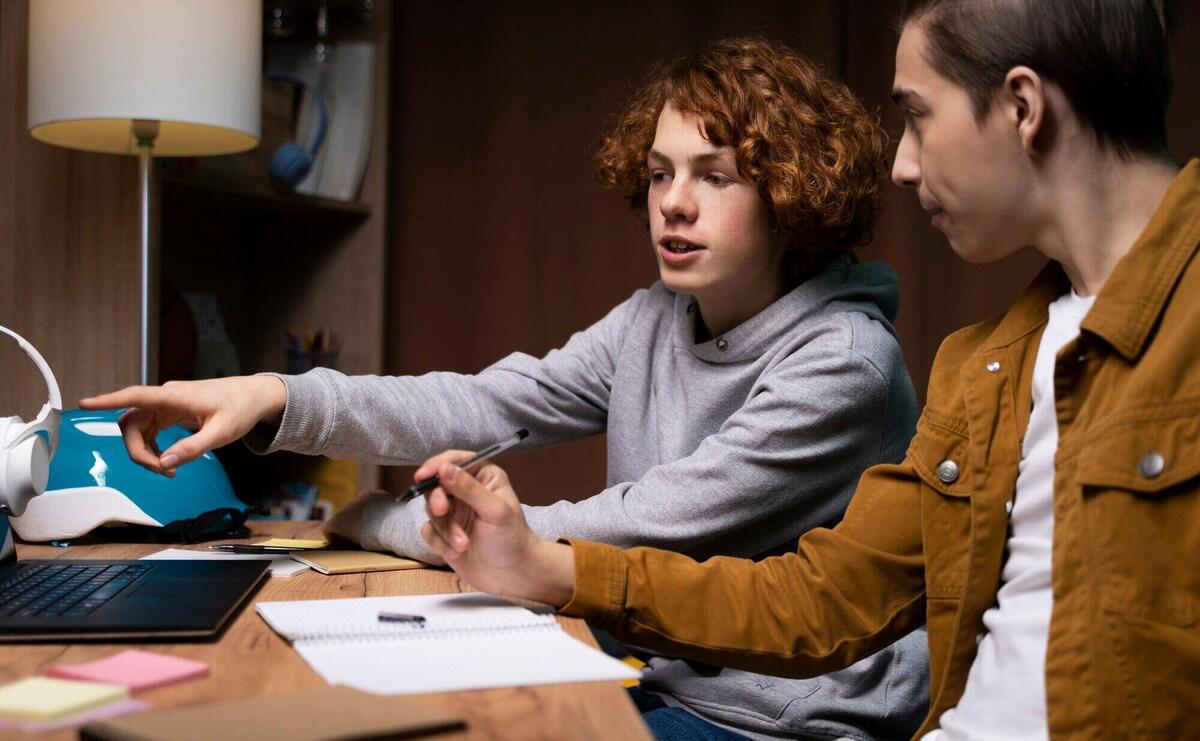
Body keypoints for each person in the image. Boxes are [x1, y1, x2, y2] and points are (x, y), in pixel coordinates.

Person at [83, 38, 929, 741]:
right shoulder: (655, 316)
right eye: (661, 171)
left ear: (791, 193)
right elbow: (487, 403)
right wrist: (275, 395)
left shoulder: (842, 361)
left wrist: (374, 521)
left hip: (782, 719)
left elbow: (640, 524)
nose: (672, 204)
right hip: (657, 670)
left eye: (714, 175)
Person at [406, 1, 1199, 739]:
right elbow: (825, 596)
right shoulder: (988, 362)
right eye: (661, 173)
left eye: (918, 117)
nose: (903, 166)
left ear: (1023, 108)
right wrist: (550, 565)